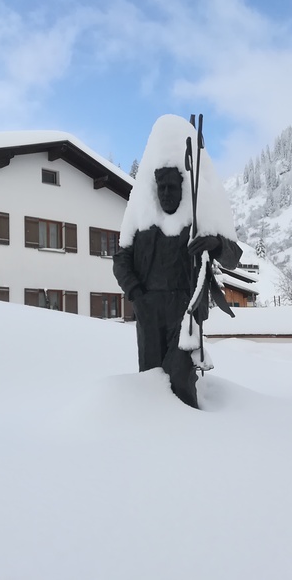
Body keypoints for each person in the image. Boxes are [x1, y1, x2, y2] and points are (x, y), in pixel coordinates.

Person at [113, 115, 242, 410]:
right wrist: (136, 294)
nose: (168, 194)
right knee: (150, 377)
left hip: (186, 308)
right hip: (149, 308)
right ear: (155, 190)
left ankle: (189, 438)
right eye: (163, 188)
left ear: (183, 187)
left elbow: (233, 257)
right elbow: (121, 260)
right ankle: (155, 435)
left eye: (173, 187)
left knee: (182, 379)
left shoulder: (198, 218)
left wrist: (216, 243)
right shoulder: (141, 221)